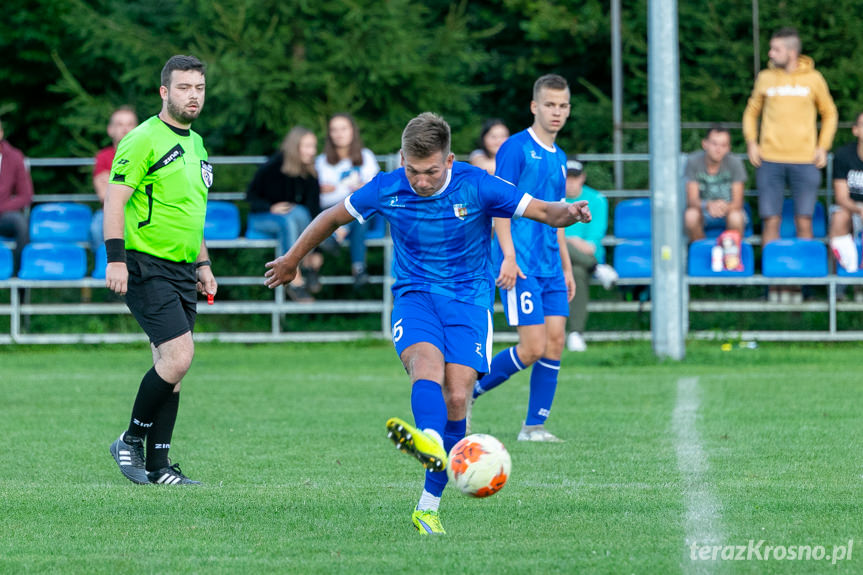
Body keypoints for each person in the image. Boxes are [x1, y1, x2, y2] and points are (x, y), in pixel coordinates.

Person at [264, 112, 590, 535]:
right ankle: (432, 445)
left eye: (431, 172)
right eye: (413, 171)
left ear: (449, 160)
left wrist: (571, 212)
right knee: (426, 369)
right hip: (415, 298)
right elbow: (331, 218)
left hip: (469, 302)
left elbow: (543, 210)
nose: (421, 181)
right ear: (402, 159)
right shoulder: (387, 187)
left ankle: (427, 503)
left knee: (458, 397)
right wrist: (292, 260)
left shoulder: (478, 184)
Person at [105, 55, 216, 486]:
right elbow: (115, 200)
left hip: (182, 268)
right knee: (179, 357)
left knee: (172, 367)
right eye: (185, 87)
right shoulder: (142, 139)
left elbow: (193, 213)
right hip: (144, 263)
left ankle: (158, 465)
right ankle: (129, 441)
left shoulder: (198, 144)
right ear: (164, 92)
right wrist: (116, 258)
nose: (193, 95)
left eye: (199, 88)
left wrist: (203, 264)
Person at [469, 74, 576, 443]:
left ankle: (534, 427)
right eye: (550, 105)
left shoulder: (560, 158)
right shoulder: (515, 148)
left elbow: (558, 215)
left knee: (556, 341)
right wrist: (509, 257)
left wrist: (566, 266)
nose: (556, 112)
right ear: (535, 106)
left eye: (563, 106)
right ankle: (468, 393)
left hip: (551, 266)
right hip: (522, 264)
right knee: (532, 347)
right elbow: (500, 205)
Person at [742, 27, 837, 301]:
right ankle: (774, 283)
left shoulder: (814, 79)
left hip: (805, 161)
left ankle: (801, 283)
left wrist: (822, 146)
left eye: (776, 49)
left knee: (804, 220)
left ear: (791, 52)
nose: (771, 54)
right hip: (769, 159)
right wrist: (751, 141)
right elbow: (751, 111)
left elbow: (829, 112)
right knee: (770, 220)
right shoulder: (765, 77)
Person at [247, 126, 323, 301]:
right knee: (288, 220)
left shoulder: (310, 174)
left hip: (295, 220)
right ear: (295, 147)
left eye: (313, 146)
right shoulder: (272, 167)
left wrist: (317, 250)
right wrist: (270, 207)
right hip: (261, 218)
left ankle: (310, 262)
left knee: (300, 213)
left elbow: (313, 212)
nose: (312, 151)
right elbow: (251, 197)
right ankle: (295, 280)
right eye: (307, 146)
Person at [315, 113, 380, 288]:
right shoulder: (321, 162)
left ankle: (337, 235)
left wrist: (362, 187)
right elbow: (320, 196)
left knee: (360, 210)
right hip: (333, 210)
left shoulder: (366, 157)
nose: (339, 133)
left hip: (362, 209)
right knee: (359, 216)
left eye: (343, 128)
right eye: (334, 130)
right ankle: (359, 269)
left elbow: (376, 189)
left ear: (352, 131)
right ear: (329, 134)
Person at [563, 159, 617, 352]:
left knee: (576, 271)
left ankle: (575, 333)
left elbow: (590, 247)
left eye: (574, 178)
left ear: (582, 178)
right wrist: (571, 240)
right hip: (556, 258)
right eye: (567, 177)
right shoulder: (552, 198)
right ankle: (598, 269)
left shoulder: (596, 200)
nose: (570, 182)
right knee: (559, 244)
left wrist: (568, 239)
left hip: (580, 261)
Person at [683, 126, 748, 242]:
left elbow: (738, 202)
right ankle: (704, 253)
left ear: (728, 148)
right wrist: (709, 205)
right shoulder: (693, 161)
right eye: (714, 144)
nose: (718, 149)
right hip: (703, 210)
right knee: (690, 216)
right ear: (705, 144)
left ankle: (731, 255)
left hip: (728, 209)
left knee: (736, 217)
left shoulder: (735, 162)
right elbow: (692, 200)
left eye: (723, 145)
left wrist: (723, 207)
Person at [91, 107, 138, 250]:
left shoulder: (147, 155)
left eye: (130, 124)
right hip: (109, 212)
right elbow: (103, 195)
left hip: (139, 211)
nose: (125, 129)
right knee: (96, 228)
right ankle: (104, 268)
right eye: (119, 124)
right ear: (110, 129)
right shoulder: (103, 157)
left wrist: (114, 183)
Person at [828, 112, 863, 296]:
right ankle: (837, 285)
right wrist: (858, 210)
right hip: (850, 206)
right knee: (839, 219)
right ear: (855, 130)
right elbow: (841, 196)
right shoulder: (843, 155)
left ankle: (860, 286)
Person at [0, 117, 34, 272]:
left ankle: (17, 278)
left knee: (21, 223)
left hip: (4, 215)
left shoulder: (14, 156)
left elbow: (26, 195)